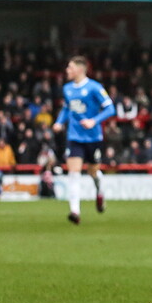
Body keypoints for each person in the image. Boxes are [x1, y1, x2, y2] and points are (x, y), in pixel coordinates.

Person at [53, 56, 115, 225]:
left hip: (93, 137)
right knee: (73, 173)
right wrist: (59, 122)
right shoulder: (67, 89)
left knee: (93, 172)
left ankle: (100, 191)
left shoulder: (94, 87)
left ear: (80, 70)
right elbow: (67, 108)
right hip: (74, 137)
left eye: (70, 67)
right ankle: (75, 211)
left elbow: (110, 108)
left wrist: (94, 121)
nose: (67, 70)